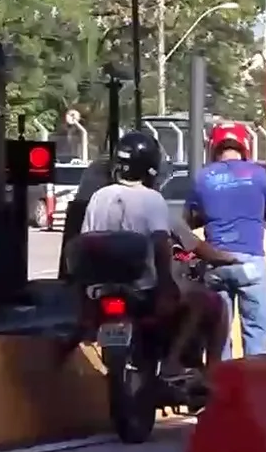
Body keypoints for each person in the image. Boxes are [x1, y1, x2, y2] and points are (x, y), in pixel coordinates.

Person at [76, 131, 237, 379]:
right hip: (143, 292)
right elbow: (162, 245)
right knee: (210, 303)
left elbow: (85, 242)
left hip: (99, 291)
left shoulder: (99, 197)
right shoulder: (152, 200)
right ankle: (180, 366)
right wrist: (166, 286)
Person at [186, 122, 266, 359]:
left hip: (216, 264)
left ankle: (223, 386)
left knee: (219, 338)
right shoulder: (259, 174)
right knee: (256, 335)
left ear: (213, 147)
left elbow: (187, 221)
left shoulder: (203, 177)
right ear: (245, 146)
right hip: (250, 265)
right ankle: (252, 384)